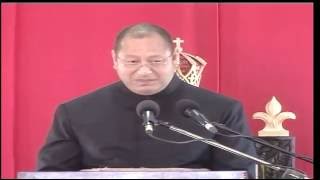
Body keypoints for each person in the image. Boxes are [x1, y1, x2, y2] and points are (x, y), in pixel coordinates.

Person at [37, 23, 257, 178]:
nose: (144, 71)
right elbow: (51, 175)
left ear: (174, 59)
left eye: (156, 60)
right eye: (132, 61)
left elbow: (241, 173)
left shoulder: (221, 110)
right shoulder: (75, 112)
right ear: (115, 60)